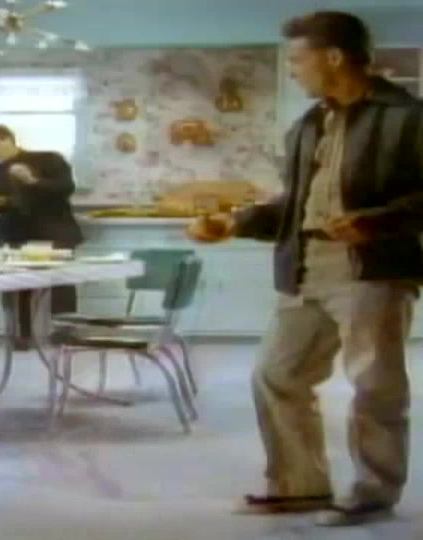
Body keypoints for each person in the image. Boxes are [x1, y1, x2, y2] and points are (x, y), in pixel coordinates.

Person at [188, 11, 423, 527]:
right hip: (305, 267)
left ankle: (373, 493)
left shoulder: (408, 117)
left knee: (374, 385)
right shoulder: (308, 125)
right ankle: (299, 485)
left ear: (333, 57)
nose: (293, 71)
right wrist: (233, 222)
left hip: (373, 269)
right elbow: (292, 205)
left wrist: (378, 222)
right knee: (277, 374)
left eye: (298, 59)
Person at [0, 124, 84, 350]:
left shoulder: (49, 160)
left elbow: (65, 188)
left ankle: (65, 333)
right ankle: (20, 335)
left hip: (54, 230)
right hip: (14, 233)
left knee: (61, 282)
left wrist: (32, 181)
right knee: (15, 283)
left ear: (8, 139)